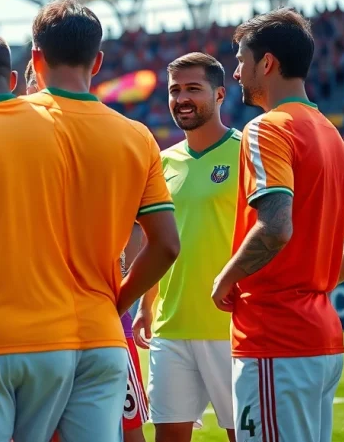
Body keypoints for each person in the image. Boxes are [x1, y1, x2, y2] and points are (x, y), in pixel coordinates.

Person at [0, 13, 179, 442]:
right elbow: (166, 245)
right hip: (86, 334)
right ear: (98, 61)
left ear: (34, 60)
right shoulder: (127, 135)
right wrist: (116, 299)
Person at [210, 8, 344, 442]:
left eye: (240, 59)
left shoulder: (266, 129)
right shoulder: (332, 135)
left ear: (266, 63)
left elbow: (275, 228)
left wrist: (225, 279)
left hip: (275, 338)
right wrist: (315, 284)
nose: (234, 72)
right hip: (319, 337)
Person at [27, 58, 149, 442]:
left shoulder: (108, 136)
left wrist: (123, 295)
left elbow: (143, 229)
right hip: (43, 318)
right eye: (31, 85)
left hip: (104, 316)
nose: (36, 90)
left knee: (128, 429)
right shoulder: (20, 143)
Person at [133, 52, 238, 442]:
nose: (182, 98)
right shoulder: (161, 163)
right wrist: (147, 306)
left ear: (221, 94)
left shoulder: (247, 152)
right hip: (170, 328)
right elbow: (153, 239)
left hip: (230, 326)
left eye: (193, 88)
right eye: (175, 90)